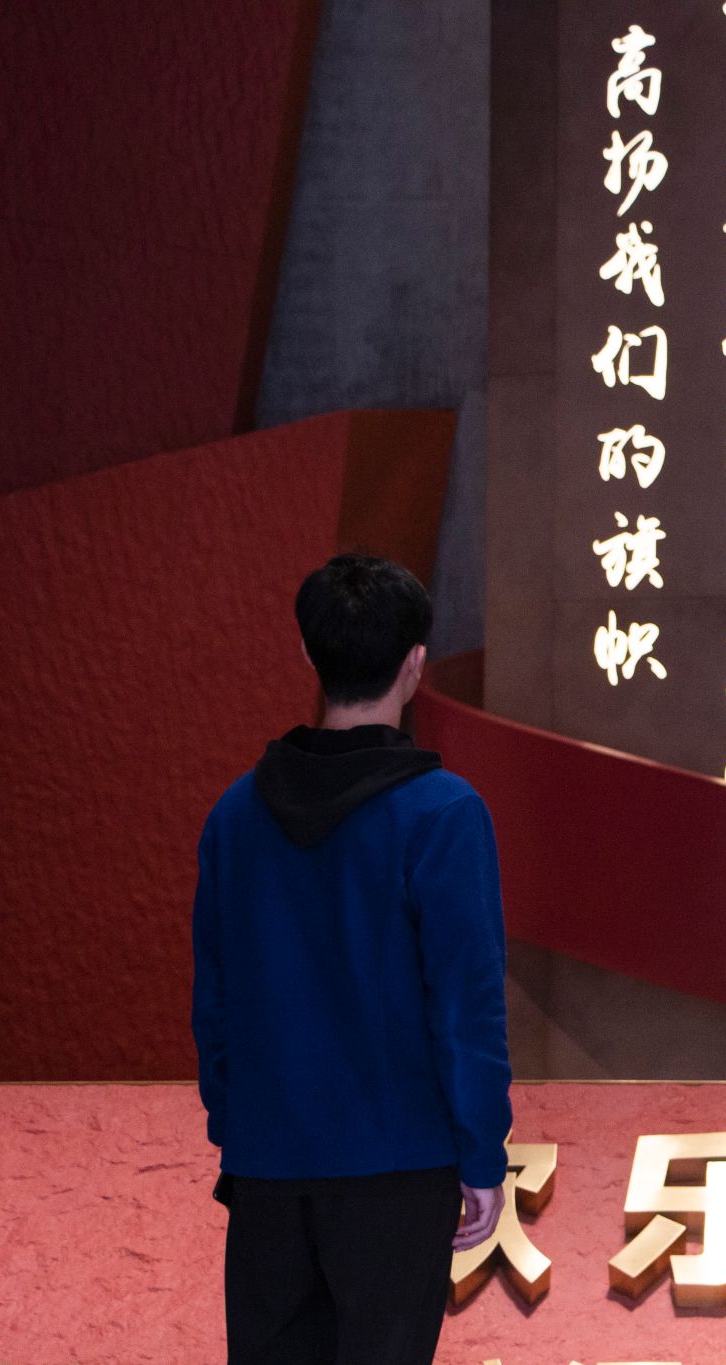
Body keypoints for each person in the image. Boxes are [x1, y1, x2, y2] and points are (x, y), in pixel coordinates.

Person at [192, 553, 513, 1365]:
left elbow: (214, 1002)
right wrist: (481, 1153)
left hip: (267, 1167)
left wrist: (238, 1127)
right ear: (416, 664)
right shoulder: (444, 815)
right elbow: (466, 1009)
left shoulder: (234, 816)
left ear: (309, 652)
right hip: (399, 1170)